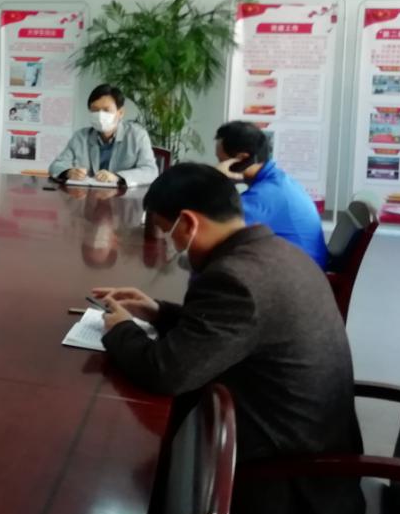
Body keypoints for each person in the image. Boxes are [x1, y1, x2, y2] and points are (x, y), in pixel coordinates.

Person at [94, 163, 360, 466]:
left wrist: (120, 328)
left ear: (188, 224)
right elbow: (233, 330)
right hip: (310, 443)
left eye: (167, 232)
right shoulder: (279, 252)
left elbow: (165, 373)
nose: (170, 244)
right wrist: (159, 312)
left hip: (282, 472)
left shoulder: (233, 279)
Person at [215, 120, 328, 269]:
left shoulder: (264, 196)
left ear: (241, 159)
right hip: (303, 271)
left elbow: (216, 230)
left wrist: (217, 182)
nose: (219, 166)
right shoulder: (279, 181)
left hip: (297, 277)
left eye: (221, 161)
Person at [49, 84, 158, 185]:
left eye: (106, 110)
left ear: (120, 113)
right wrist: (68, 172)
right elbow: (55, 166)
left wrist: (117, 177)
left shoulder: (137, 136)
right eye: (95, 110)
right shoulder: (80, 137)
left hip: (122, 197)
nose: (100, 115)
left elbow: (150, 171)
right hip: (86, 196)